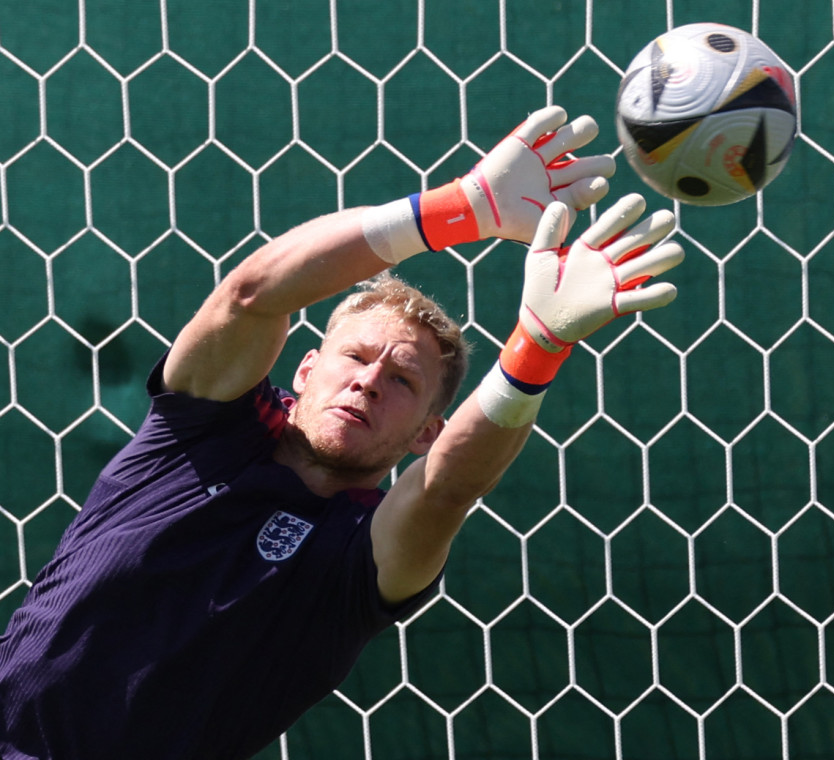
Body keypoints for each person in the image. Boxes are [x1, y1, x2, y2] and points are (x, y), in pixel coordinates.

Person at [0, 105, 684, 760]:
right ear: (305, 369)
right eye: (356, 357)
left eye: (403, 381)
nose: (369, 381)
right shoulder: (195, 434)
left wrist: (537, 344)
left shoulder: (362, 554)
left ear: (426, 432)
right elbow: (251, 295)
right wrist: (464, 206)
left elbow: (446, 491)